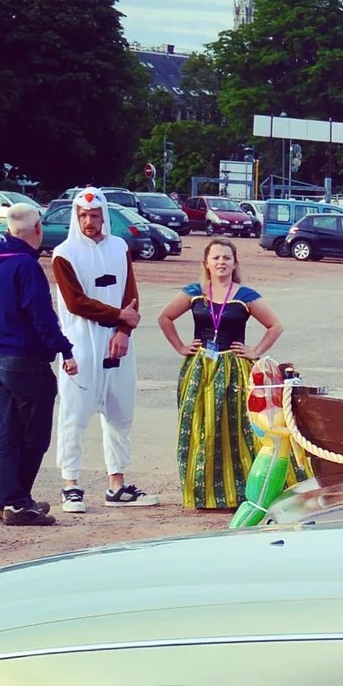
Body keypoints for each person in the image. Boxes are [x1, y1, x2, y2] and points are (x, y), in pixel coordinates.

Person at [48, 189, 156, 511]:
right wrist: (117, 316)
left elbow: (130, 294)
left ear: (104, 216)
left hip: (118, 344)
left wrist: (123, 330)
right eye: (82, 215)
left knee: (120, 413)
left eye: (94, 216)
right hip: (81, 342)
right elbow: (75, 302)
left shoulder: (119, 247)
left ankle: (117, 485)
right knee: (75, 413)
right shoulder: (64, 253)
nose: (88, 221)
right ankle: (71, 484)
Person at [156, 239, 281, 509]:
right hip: (200, 369)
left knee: (238, 429)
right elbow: (164, 317)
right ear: (207, 263)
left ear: (235, 263)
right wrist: (180, 346)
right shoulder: (194, 292)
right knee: (200, 427)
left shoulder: (245, 295)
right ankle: (203, 493)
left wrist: (255, 351)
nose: (221, 262)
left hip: (234, 368)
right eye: (216, 258)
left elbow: (275, 326)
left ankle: (239, 492)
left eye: (226, 258)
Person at [0, 203, 70, 526]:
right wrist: (64, 348)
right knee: (34, 435)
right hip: (26, 361)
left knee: (8, 433)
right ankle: (17, 502)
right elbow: (40, 315)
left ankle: (10, 498)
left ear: (8, 230)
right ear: (37, 230)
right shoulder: (27, 267)